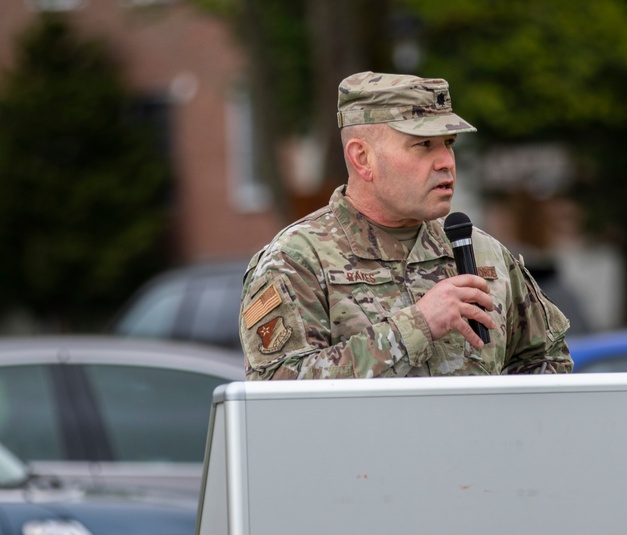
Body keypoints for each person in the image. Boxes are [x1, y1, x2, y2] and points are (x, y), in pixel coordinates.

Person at [239, 71, 573, 380]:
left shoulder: (485, 253)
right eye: (423, 145)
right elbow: (275, 390)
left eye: (449, 144)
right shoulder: (298, 260)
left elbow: (547, 361)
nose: (445, 162)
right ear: (363, 159)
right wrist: (417, 325)